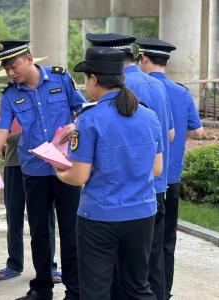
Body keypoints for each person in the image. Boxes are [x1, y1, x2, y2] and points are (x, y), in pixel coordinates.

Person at [0, 40, 86, 300]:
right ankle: (41, 288)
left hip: (65, 168)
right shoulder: (10, 94)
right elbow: (2, 129)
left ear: (29, 58)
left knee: (70, 230)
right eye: (6, 68)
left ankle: (75, 290)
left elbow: (81, 110)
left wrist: (75, 125)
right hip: (34, 171)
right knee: (38, 232)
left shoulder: (60, 78)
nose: (11, 73)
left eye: (13, 66)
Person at [55, 46, 162, 300]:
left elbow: (78, 177)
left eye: (86, 78)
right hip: (143, 214)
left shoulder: (89, 119)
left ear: (93, 80)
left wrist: (58, 169)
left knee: (96, 291)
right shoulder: (148, 116)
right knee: (138, 287)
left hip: (100, 217)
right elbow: (156, 169)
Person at [86, 33, 174, 300]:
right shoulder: (158, 87)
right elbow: (168, 135)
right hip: (149, 193)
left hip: (108, 203)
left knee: (106, 276)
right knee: (148, 268)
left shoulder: (97, 110)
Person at [136, 37, 204, 300]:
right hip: (171, 176)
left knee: (143, 242)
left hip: (147, 177)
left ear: (143, 58)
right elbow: (196, 129)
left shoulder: (139, 89)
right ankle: (164, 291)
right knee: (166, 240)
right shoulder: (180, 92)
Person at [0, 134, 61, 283]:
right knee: (13, 215)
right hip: (14, 165)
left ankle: (49, 266)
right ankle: (14, 264)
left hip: (41, 166)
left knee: (44, 217)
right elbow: (4, 136)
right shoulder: (11, 110)